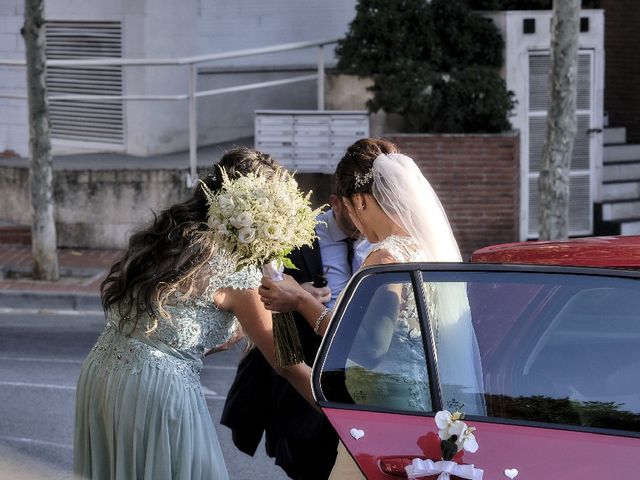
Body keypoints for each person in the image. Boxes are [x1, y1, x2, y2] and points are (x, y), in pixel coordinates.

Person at [73, 147, 314, 480]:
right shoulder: (238, 271)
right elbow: (285, 362)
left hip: (103, 370)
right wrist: (333, 405)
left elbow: (174, 324)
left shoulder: (171, 236)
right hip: (155, 390)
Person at [259, 138, 484, 479]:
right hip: (429, 413)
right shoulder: (428, 251)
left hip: (383, 415)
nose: (354, 222)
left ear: (360, 201)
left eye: (349, 208)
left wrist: (302, 301)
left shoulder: (387, 258)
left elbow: (371, 347)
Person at [220, 181, 370, 480]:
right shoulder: (299, 234)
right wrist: (300, 295)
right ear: (335, 202)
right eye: (351, 213)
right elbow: (265, 291)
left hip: (363, 376)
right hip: (305, 375)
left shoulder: (380, 240)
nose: (358, 225)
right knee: (306, 464)